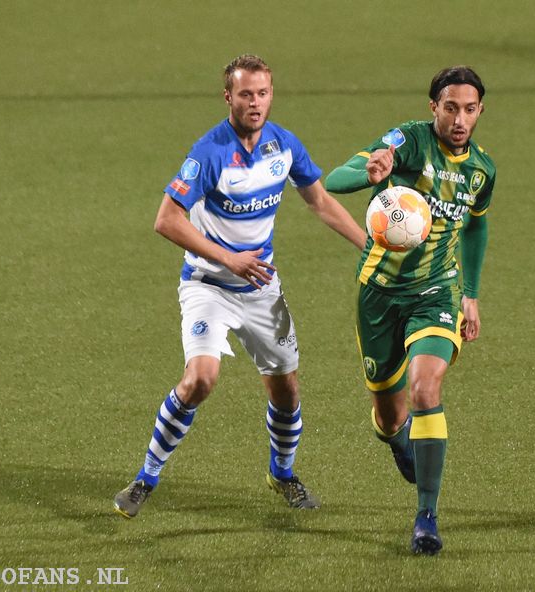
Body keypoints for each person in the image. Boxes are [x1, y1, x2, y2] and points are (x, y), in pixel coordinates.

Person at [113, 54, 366, 518]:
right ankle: (146, 479)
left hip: (262, 289)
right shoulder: (209, 153)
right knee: (200, 379)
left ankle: (282, 474)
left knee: (286, 390)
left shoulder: (283, 146)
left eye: (263, 93)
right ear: (228, 97)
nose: (255, 103)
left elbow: (320, 201)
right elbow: (166, 220)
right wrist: (229, 258)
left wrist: (367, 245)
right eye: (246, 94)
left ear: (272, 95)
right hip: (208, 285)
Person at [324, 65, 496, 554]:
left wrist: (472, 293)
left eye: (469, 109)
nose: (459, 118)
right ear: (433, 108)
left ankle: (426, 516)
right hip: (379, 293)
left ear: (480, 111)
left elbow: (478, 227)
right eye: (450, 108)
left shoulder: (483, 169)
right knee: (388, 412)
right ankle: (400, 440)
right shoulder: (407, 142)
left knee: (425, 388)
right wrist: (370, 172)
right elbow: (336, 179)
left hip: (437, 294)